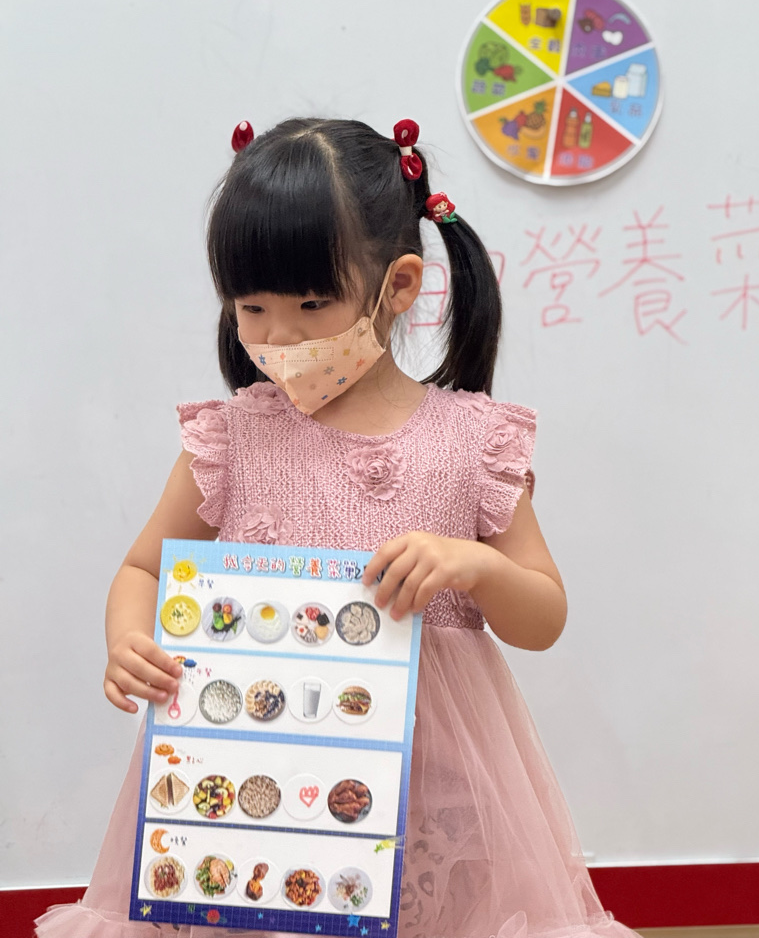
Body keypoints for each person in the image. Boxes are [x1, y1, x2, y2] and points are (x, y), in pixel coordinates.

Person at [36, 117, 639, 938]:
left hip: (438, 808)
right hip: (257, 791)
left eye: (311, 305)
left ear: (399, 286)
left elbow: (543, 616)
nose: (277, 336)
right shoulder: (233, 438)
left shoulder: (472, 442)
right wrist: (128, 640)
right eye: (251, 307)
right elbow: (144, 568)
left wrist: (475, 565)